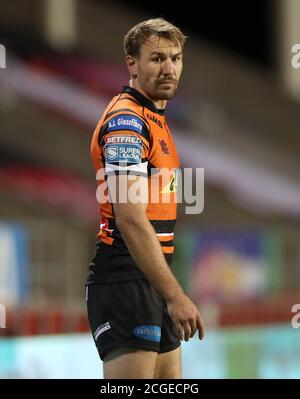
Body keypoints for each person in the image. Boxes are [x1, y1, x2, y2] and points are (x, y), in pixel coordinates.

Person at [86, 18, 205, 379]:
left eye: (176, 58)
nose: (169, 68)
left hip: (151, 279)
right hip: (126, 279)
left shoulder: (152, 116)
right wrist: (175, 295)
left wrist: (166, 289)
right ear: (132, 63)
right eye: (156, 58)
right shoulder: (127, 123)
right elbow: (132, 218)